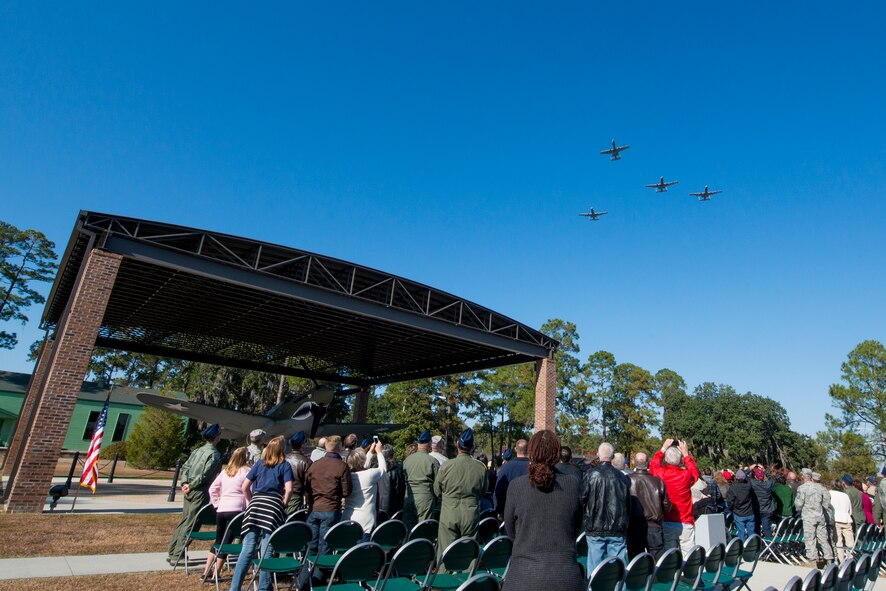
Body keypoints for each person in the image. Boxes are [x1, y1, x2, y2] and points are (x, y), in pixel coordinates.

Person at [503, 430, 584, 591]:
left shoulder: (516, 486)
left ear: (531, 452)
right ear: (556, 453)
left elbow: (511, 531)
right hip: (565, 576)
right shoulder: (573, 484)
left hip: (523, 577)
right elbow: (577, 526)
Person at [228, 436, 294, 591]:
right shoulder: (284, 465)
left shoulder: (259, 464)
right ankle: (264, 586)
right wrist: (283, 503)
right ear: (282, 450)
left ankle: (234, 587)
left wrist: (251, 501)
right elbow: (289, 489)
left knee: (247, 548)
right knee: (267, 549)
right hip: (272, 507)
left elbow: (245, 487)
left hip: (256, 505)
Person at [167, 423, 222, 565]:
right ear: (216, 437)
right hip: (200, 490)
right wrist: (191, 485)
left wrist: (185, 483)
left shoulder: (197, 450)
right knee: (192, 522)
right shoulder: (214, 454)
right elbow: (205, 475)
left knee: (185, 519)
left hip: (189, 488)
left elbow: (186, 467)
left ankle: (173, 550)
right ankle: (178, 555)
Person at [434, 428, 487, 557]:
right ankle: (468, 576)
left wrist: (447, 499)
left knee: (445, 554)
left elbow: (437, 490)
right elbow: (483, 491)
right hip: (470, 513)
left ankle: (443, 576)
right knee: (468, 554)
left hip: (449, 512)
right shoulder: (480, 468)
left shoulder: (446, 466)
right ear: (472, 447)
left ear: (458, 445)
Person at [581, 442, 631, 575]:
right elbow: (628, 504)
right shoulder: (623, 478)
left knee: (594, 569)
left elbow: (582, 499)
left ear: (598, 455)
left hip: (595, 526)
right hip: (617, 527)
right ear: (613, 456)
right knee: (618, 568)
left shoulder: (590, 474)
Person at [204, 446, 250, 579]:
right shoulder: (247, 472)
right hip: (236, 510)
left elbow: (212, 489)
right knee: (227, 542)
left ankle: (206, 570)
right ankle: (216, 572)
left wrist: (217, 503)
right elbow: (248, 492)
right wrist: (248, 508)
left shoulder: (226, 471)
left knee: (219, 540)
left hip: (222, 509)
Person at [649, 439, 700, 557]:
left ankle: (672, 574)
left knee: (669, 556)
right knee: (688, 555)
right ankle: (689, 575)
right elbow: (694, 473)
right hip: (685, 520)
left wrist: (663, 448)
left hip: (667, 521)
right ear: (679, 460)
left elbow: (653, 465)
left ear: (666, 459)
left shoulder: (661, 474)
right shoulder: (686, 475)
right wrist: (686, 454)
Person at [305, 435, 352, 557]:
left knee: (311, 547)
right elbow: (346, 492)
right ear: (340, 448)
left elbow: (307, 487)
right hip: (331, 509)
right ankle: (318, 575)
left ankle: (307, 574)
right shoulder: (342, 466)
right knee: (325, 548)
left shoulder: (314, 465)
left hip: (314, 508)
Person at [627, 451, 671, 559]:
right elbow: (667, 506)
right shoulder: (658, 482)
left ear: (634, 463)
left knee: (636, 563)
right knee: (657, 564)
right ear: (647, 463)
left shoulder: (627, 481)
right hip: (653, 526)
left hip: (634, 527)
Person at [342, 440, 388, 539]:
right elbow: (383, 470)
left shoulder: (348, 476)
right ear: (363, 461)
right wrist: (379, 452)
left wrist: (371, 452)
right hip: (365, 522)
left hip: (347, 519)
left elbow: (362, 466)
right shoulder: (370, 475)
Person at [795, 470, 834, 567]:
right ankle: (829, 558)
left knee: (810, 538)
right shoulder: (819, 488)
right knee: (823, 538)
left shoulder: (802, 488)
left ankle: (813, 559)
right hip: (820, 516)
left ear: (804, 476)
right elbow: (826, 502)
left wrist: (799, 509)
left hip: (808, 516)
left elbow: (799, 504)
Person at [402, 430, 439, 529]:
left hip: (409, 496)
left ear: (418, 444)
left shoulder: (407, 460)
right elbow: (437, 484)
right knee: (423, 529)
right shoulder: (432, 461)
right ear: (430, 444)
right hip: (425, 498)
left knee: (408, 527)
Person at [494, 439, 529, 518]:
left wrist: (499, 509)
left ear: (515, 449)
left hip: (511, 510)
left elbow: (499, 490)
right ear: (528, 449)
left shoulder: (507, 467)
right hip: (529, 510)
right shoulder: (534, 467)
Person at [284, 431, 312, 515]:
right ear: (303, 444)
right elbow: (308, 483)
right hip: (296, 497)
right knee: (292, 523)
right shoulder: (307, 461)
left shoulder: (283, 458)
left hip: (281, 494)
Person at [377, 443, 406, 520]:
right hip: (394, 507)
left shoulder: (375, 468)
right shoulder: (396, 470)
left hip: (378, 506)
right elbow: (400, 489)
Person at [726, 470, 757, 541]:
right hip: (749, 512)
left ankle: (744, 548)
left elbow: (731, 501)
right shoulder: (749, 486)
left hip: (739, 513)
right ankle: (752, 546)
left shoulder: (733, 487)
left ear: (736, 478)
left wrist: (731, 508)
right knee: (751, 533)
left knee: (741, 533)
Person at [829, 478, 854, 561]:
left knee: (838, 542)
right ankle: (850, 558)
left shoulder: (830, 494)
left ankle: (840, 560)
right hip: (846, 519)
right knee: (850, 542)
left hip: (836, 519)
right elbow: (850, 510)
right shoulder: (845, 495)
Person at [749, 465, 775, 537]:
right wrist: (764, 470)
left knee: (756, 527)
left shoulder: (753, 483)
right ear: (763, 476)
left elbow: (746, 478)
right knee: (767, 528)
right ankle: (769, 544)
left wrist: (750, 469)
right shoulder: (768, 484)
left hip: (757, 509)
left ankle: (757, 543)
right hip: (767, 510)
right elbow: (771, 478)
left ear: (756, 477)